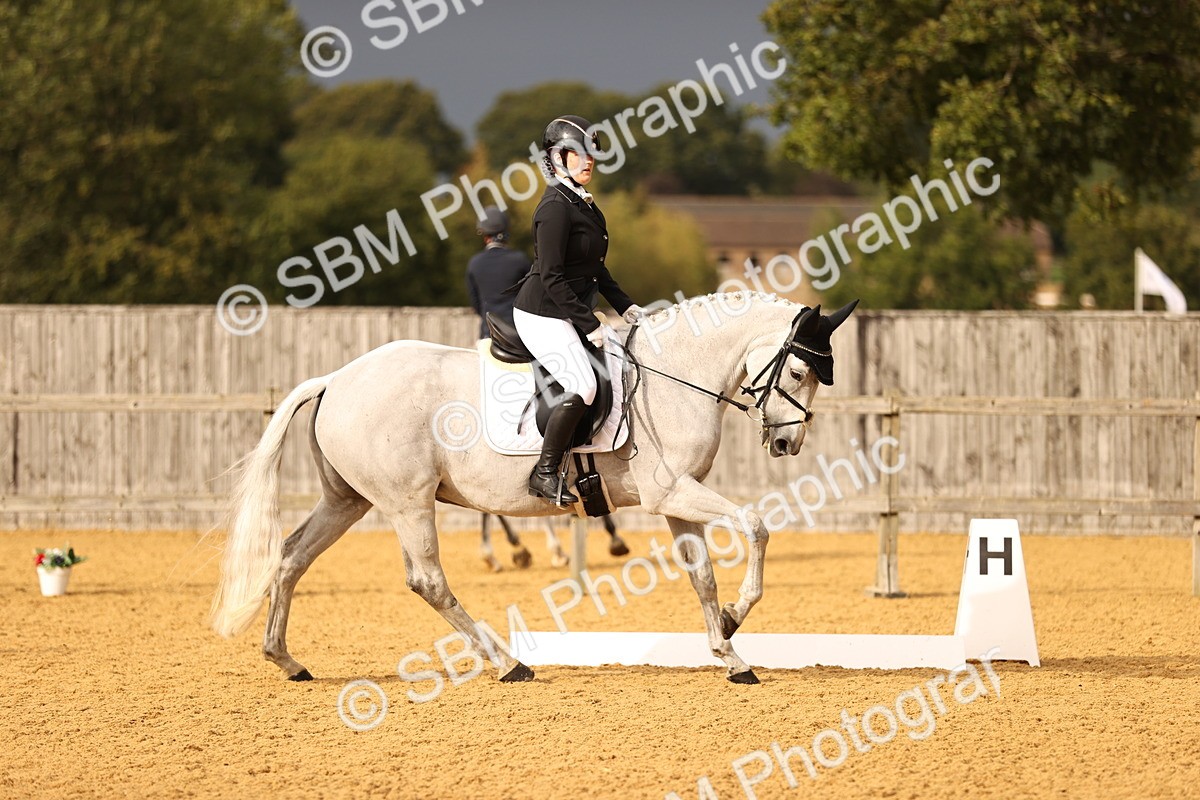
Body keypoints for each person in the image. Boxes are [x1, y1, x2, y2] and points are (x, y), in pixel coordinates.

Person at [511, 115, 644, 504]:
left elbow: (595, 269)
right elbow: (551, 277)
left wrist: (628, 306)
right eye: (579, 154)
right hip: (541, 312)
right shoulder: (554, 207)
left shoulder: (582, 203)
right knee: (583, 384)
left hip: (564, 309)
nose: (589, 161)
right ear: (557, 157)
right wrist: (589, 323)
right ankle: (545, 472)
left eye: (592, 155)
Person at [466, 206, 531, 341]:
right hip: (519, 334)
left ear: (484, 236)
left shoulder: (474, 263)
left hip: (488, 334)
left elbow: (476, 303)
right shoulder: (520, 260)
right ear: (506, 233)